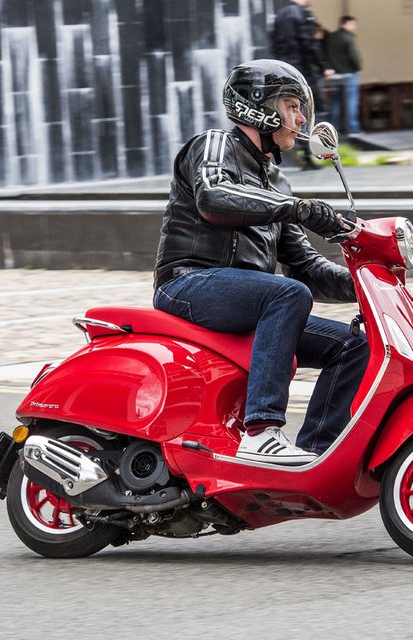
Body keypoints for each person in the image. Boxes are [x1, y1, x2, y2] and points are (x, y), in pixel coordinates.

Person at [153, 59, 369, 465]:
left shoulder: (277, 182)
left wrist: (366, 285)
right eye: (291, 106)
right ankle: (261, 432)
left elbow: (305, 266)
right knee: (287, 295)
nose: (301, 118)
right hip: (188, 283)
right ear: (259, 107)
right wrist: (298, 209)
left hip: (250, 300)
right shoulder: (214, 145)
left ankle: (314, 455)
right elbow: (213, 197)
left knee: (352, 345)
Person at [271, 0, 334, 169]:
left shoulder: (280, 15)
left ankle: (298, 149)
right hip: (303, 73)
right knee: (315, 111)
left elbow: (275, 46)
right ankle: (313, 151)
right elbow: (309, 44)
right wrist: (323, 66)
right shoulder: (302, 14)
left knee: (290, 112)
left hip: (284, 72)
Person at [325, 16, 362, 134]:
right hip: (349, 73)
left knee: (335, 103)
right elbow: (353, 55)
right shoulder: (347, 38)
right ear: (346, 24)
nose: (354, 27)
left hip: (334, 75)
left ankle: (332, 129)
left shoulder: (331, 37)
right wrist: (358, 67)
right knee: (351, 102)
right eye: (353, 24)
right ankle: (353, 129)